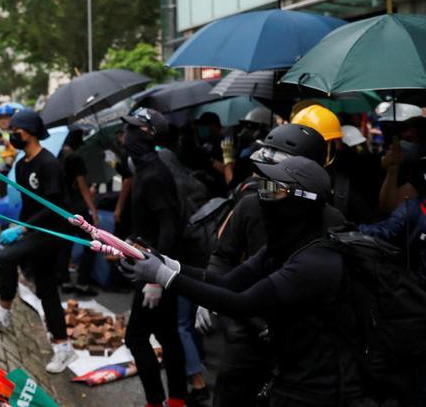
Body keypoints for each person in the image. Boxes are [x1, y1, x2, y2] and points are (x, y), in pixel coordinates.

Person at [124, 156, 375, 407]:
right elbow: (227, 282)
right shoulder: (285, 245)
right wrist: (167, 263)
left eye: (274, 190)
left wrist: (162, 276)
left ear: (302, 200)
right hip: (292, 375)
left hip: (325, 389)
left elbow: (239, 303)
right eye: (264, 187)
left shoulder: (316, 261)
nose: (263, 196)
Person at [208, 123, 343, 407]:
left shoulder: (331, 220)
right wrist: (206, 291)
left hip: (301, 343)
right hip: (247, 330)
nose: (264, 173)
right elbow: (223, 258)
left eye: (276, 161)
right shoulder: (248, 205)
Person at [0, 109, 77, 374]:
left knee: (6, 256)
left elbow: (55, 206)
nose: (12, 136)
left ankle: (4, 312)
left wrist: (22, 229)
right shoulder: (22, 165)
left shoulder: (49, 164)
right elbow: (28, 203)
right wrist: (18, 224)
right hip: (34, 229)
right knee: (45, 289)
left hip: (53, 232)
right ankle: (63, 346)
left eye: (16, 132)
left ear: (30, 133)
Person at [120, 107, 188, 407]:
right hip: (152, 263)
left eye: (133, 128)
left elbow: (169, 227)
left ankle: (156, 401)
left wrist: (157, 278)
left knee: (136, 338)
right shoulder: (145, 170)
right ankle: (176, 400)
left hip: (155, 270)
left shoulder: (154, 175)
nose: (126, 133)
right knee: (167, 334)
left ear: (148, 134)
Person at [58, 127, 100, 296]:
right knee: (91, 243)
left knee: (65, 245)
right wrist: (93, 210)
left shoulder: (57, 156)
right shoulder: (75, 158)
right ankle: (83, 283)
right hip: (77, 208)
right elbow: (83, 188)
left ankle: (65, 281)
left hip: (61, 208)